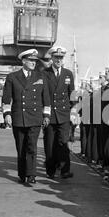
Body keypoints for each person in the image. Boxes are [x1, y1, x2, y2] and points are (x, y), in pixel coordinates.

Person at [2, 49, 51, 184]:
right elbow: (6, 98)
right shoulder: (12, 77)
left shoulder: (41, 76)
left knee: (32, 146)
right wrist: (7, 114)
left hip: (35, 117)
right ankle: (22, 174)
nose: (33, 63)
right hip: (19, 117)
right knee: (21, 147)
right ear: (23, 61)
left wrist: (46, 114)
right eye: (30, 60)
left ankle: (31, 175)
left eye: (35, 61)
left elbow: (46, 97)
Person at [43, 46, 75, 179]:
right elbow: (42, 94)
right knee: (50, 143)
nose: (58, 60)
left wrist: (73, 111)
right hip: (50, 114)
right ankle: (50, 170)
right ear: (52, 58)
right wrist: (44, 114)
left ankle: (65, 170)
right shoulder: (45, 73)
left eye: (61, 58)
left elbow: (72, 94)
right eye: (56, 57)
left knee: (63, 142)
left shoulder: (68, 74)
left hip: (63, 114)